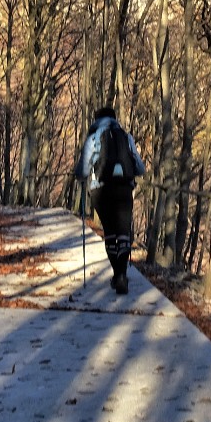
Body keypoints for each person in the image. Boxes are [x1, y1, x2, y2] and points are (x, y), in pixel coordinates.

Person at [74, 106, 146, 294]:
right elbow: (140, 168)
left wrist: (81, 176)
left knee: (110, 234)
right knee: (123, 234)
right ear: (114, 119)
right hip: (124, 189)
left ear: (97, 119)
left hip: (101, 191)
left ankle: (117, 275)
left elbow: (82, 171)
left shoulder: (94, 137)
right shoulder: (126, 137)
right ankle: (121, 274)